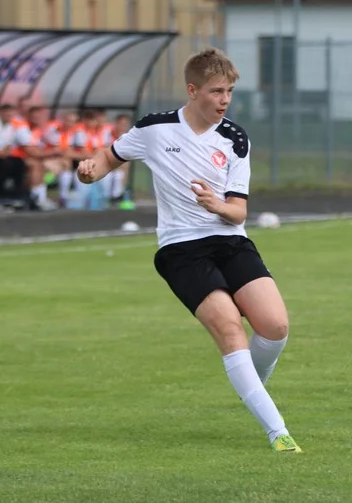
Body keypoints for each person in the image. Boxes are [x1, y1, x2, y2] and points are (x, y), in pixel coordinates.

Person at [76, 48, 301, 453]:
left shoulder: (234, 137)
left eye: (230, 91)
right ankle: (278, 432)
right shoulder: (155, 129)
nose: (225, 100)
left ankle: (249, 386)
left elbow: (238, 211)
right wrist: (90, 169)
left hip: (231, 241)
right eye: (216, 91)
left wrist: (219, 206)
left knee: (276, 326)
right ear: (192, 90)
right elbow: (110, 157)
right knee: (230, 328)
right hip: (182, 250)